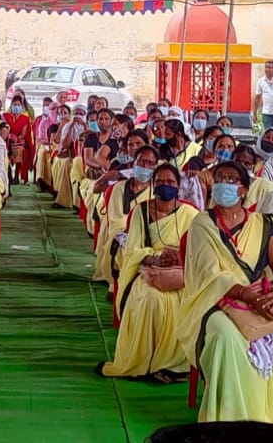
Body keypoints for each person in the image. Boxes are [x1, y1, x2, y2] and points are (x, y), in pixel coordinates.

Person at [179, 160, 273, 428]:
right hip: (215, 300)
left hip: (261, 298)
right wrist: (249, 298)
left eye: (231, 179)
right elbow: (209, 274)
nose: (223, 183)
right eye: (219, 178)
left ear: (243, 190)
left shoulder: (262, 223)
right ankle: (236, 424)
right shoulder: (202, 223)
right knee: (226, 337)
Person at [97, 162, 198, 381]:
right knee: (151, 299)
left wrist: (178, 258)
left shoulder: (190, 214)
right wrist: (155, 258)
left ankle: (172, 365)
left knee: (181, 302)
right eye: (160, 181)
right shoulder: (141, 212)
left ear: (178, 186)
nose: (165, 185)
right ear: (153, 184)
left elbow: (198, 251)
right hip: (147, 269)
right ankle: (144, 362)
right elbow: (132, 249)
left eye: (170, 182)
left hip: (181, 272)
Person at [93, 145, 160, 284]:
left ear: (155, 167)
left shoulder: (157, 192)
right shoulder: (118, 188)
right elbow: (116, 222)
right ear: (134, 163)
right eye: (141, 161)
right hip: (122, 236)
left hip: (149, 238)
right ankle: (122, 285)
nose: (145, 166)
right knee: (126, 249)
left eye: (150, 163)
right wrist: (133, 233)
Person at [3, 96, 35, 185]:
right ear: (11, 106)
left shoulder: (25, 119)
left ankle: (17, 176)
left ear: (22, 106)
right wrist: (9, 136)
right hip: (7, 141)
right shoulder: (5, 116)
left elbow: (24, 134)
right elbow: (3, 129)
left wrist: (17, 138)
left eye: (18, 105)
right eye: (14, 105)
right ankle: (8, 175)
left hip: (20, 142)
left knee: (21, 150)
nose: (16, 107)